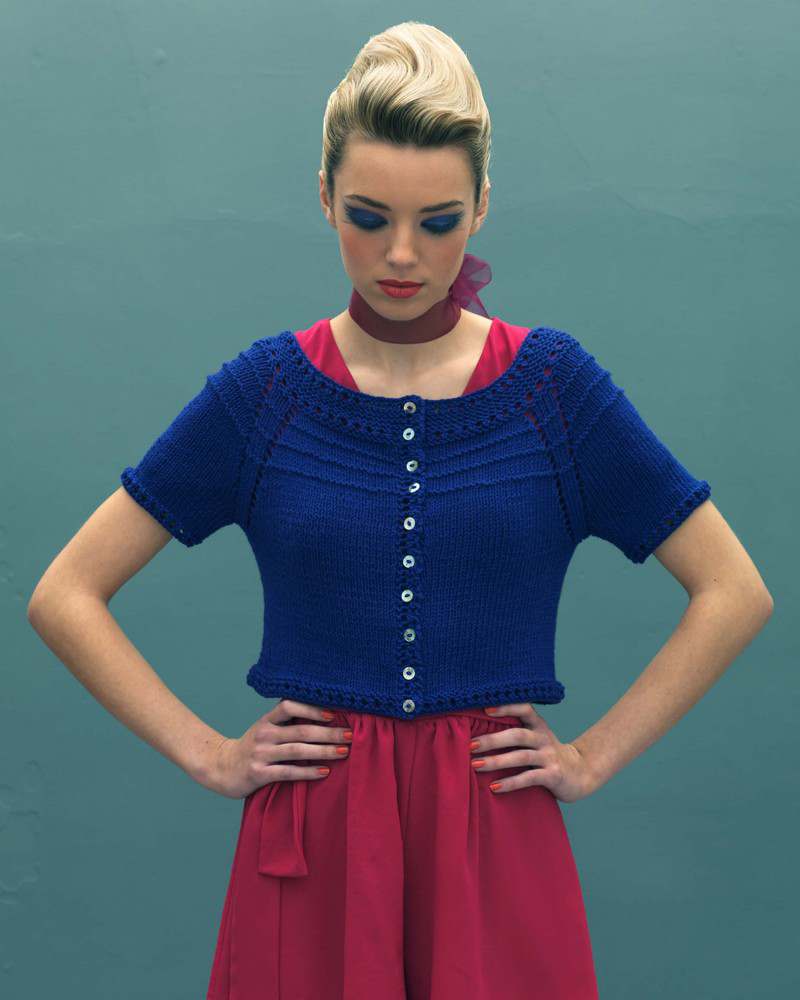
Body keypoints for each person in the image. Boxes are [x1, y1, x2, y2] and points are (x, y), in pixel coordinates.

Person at [27, 21, 774, 1000]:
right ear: (324, 196)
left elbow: (733, 590)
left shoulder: (553, 391)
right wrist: (210, 753)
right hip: (316, 844)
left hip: (493, 839)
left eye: (439, 221)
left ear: (482, 208)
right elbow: (65, 593)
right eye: (368, 217)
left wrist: (591, 756)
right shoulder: (266, 394)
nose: (401, 255)